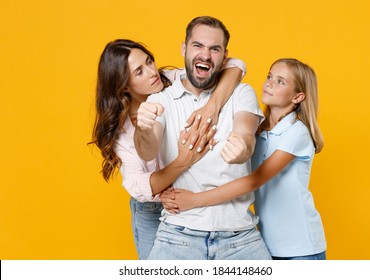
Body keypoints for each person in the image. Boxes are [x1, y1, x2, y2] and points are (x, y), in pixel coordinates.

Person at [90, 39, 246, 259]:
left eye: (149, 61)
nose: (152, 72)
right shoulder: (123, 130)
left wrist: (213, 105)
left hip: (194, 198)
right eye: (139, 72)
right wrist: (184, 161)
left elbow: (235, 65)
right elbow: (138, 184)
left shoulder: (175, 81)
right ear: (124, 85)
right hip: (153, 210)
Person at [134, 16, 271, 260]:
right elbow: (147, 150)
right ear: (184, 49)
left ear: (224, 56)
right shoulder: (160, 100)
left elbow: (245, 134)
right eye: (197, 46)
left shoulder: (241, 92)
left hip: (239, 236)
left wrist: (242, 147)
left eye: (214, 49)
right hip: (178, 234)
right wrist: (143, 128)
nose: (205, 55)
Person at [162, 58, 327, 260]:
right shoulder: (258, 132)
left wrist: (194, 200)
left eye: (281, 81)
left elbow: (253, 181)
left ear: (298, 97)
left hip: (301, 247)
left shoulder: (296, 132)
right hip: (265, 242)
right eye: (269, 76)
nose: (269, 83)